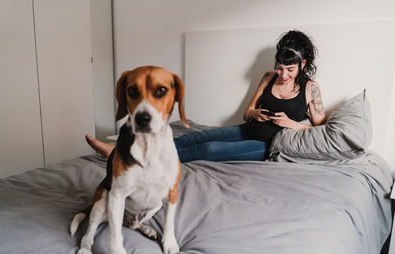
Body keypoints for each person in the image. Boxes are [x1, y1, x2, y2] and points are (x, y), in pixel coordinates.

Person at [86, 30, 326, 163]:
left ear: (302, 64)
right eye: (280, 67)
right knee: (192, 139)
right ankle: (127, 145)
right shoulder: (268, 76)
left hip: (266, 146)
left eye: (290, 70)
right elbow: (246, 111)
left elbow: (322, 131)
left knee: (208, 149)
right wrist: (254, 113)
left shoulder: (310, 89)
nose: (283, 74)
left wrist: (290, 124)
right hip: (246, 128)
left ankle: (124, 156)